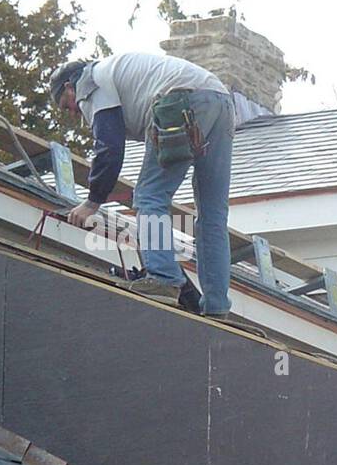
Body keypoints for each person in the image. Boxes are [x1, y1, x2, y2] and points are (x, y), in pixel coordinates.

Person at [48, 53, 235, 316]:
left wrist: (92, 203)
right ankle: (216, 304)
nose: (72, 112)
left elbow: (109, 148)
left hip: (182, 101)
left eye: (65, 104)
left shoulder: (89, 82)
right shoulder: (118, 74)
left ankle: (164, 279)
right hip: (221, 102)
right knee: (213, 213)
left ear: (69, 86)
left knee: (149, 196)